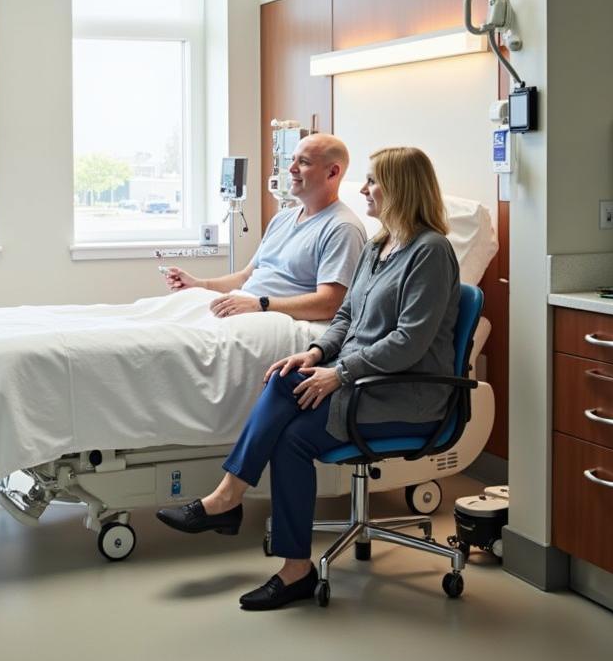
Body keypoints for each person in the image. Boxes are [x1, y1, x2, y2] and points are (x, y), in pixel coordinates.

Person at [157, 147, 460, 610]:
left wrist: (337, 373)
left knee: (286, 415)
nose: (363, 190)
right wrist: (314, 353)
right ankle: (287, 561)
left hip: (403, 393)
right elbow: (345, 317)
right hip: (363, 384)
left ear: (401, 189)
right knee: (286, 389)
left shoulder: (431, 253)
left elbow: (409, 343)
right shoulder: (379, 247)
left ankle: (229, 503)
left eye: (374, 181)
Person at [166, 134, 365, 321]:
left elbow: (330, 303)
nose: (292, 168)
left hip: (272, 317)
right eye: (293, 159)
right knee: (166, 315)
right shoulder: (282, 219)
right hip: (246, 304)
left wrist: (260, 304)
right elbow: (245, 277)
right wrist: (200, 284)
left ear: (332, 172)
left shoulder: (342, 228)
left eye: (303, 162)